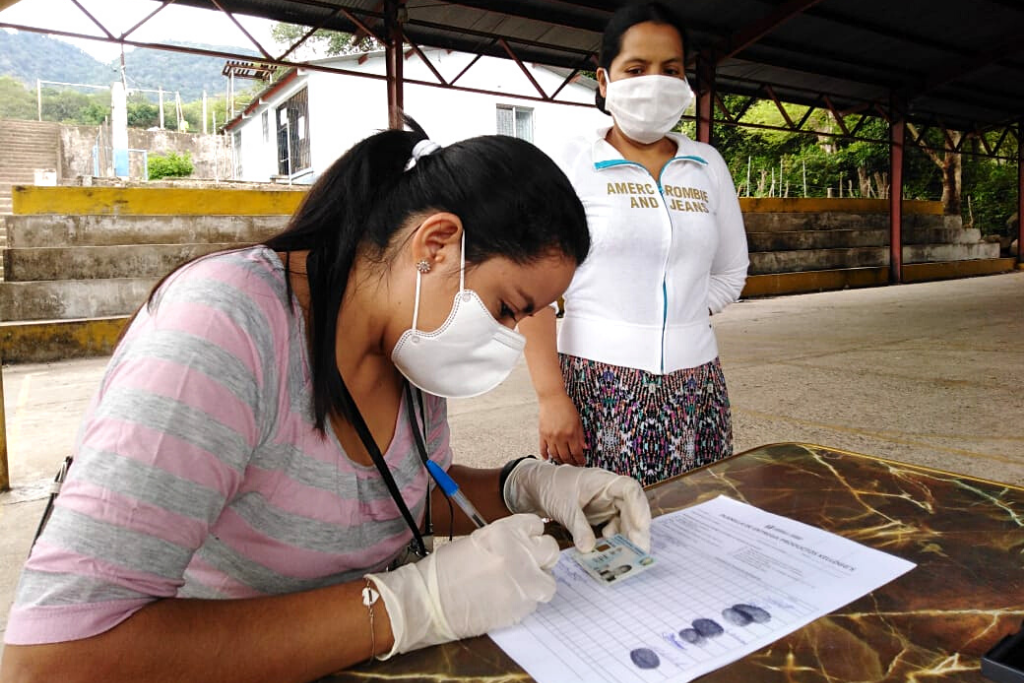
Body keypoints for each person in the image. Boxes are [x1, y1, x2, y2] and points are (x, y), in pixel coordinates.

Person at [0, 120, 652, 683]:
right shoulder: (227, 328)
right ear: (435, 245)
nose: (512, 337)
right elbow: (54, 658)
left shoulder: (411, 345)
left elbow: (393, 493)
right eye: (510, 307)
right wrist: (399, 607)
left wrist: (529, 486)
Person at [519, 1, 749, 487]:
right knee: (606, 534)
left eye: (671, 69)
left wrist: (677, 313)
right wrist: (550, 396)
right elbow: (531, 291)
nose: (655, 82)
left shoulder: (707, 164)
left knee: (693, 524)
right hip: (599, 386)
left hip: (696, 385)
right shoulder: (571, 160)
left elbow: (730, 272)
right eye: (637, 68)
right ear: (604, 82)